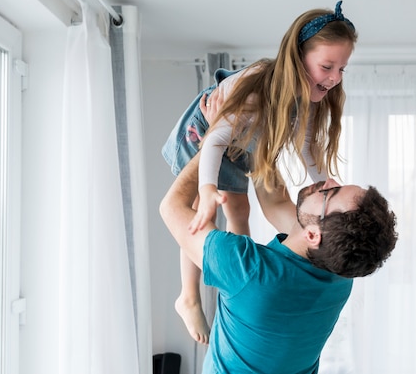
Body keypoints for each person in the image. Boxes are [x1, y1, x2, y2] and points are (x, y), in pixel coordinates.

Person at [161, 1, 358, 343]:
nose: (334, 78)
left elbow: (308, 143)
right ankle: (188, 296)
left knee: (240, 209)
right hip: (207, 131)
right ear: (297, 58)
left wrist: (321, 179)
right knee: (197, 211)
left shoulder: (307, 96)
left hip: (244, 140)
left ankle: (237, 277)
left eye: (342, 69)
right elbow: (216, 138)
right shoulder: (258, 88)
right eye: (328, 66)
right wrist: (207, 186)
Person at [159, 153, 398, 374]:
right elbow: (275, 202)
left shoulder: (252, 274)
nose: (329, 180)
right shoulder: (340, 271)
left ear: (313, 236)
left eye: (329, 193)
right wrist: (259, 139)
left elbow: (171, 208)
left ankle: (188, 299)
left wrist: (214, 140)